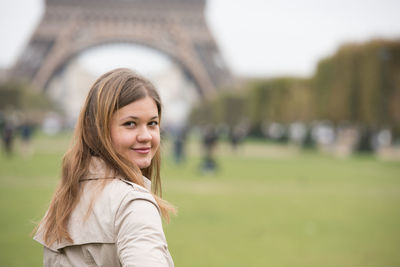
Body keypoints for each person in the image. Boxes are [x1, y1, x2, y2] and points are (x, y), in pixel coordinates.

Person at [34, 68, 176, 266]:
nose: (146, 136)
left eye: (152, 123)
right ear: (98, 130)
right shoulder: (133, 205)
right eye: (130, 124)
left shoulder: (65, 201)